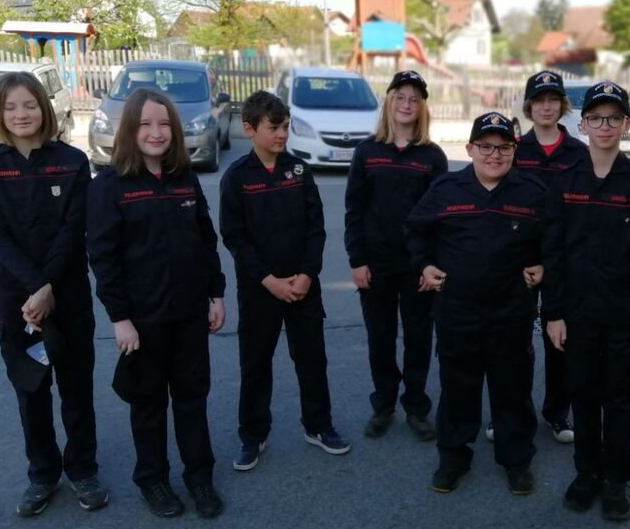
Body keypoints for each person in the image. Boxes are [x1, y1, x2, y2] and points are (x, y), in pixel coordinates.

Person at [0, 72, 107, 517]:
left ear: (44, 109)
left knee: (76, 387)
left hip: (67, 293)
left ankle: (83, 469)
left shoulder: (72, 161)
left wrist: (48, 285)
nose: (21, 114)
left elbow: (73, 230)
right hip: (17, 300)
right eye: (10, 107)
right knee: (30, 388)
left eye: (29, 104)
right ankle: (42, 474)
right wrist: (35, 288)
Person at [87, 88, 226, 519]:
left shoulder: (185, 178)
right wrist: (120, 318)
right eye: (146, 124)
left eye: (165, 124)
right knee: (148, 404)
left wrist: (216, 294)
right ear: (130, 129)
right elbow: (103, 258)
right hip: (143, 321)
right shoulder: (109, 186)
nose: (156, 132)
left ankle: (199, 478)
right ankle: (153, 480)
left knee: (191, 399)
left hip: (188, 314)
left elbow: (206, 241)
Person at [406, 112, 545, 495]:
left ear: (514, 150)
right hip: (457, 311)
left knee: (512, 389)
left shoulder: (533, 192)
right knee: (457, 389)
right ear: (469, 149)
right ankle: (453, 457)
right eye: (486, 146)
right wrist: (424, 264)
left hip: (511, 312)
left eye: (503, 147)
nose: (494, 155)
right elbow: (415, 231)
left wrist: (543, 265)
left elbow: (554, 239)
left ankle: (516, 460)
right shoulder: (445, 189)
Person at [543, 82, 630, 521]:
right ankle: (587, 473)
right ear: (582, 124)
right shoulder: (564, 181)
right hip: (576, 314)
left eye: (614, 118)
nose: (604, 126)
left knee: (619, 398)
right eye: (596, 118)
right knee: (583, 393)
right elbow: (553, 252)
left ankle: (616, 478)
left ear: (626, 124)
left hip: (623, 315)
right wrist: (553, 312)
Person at [220, 90, 350, 473]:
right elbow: (235, 237)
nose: (282, 134)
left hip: (302, 287)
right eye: (274, 127)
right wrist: (268, 280)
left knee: (312, 360)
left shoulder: (298, 171)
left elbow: (316, 227)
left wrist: (307, 274)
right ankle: (253, 435)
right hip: (260, 291)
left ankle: (318, 426)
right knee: (255, 364)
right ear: (249, 129)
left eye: (286, 126)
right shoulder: (237, 177)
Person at [344, 70, 448, 441]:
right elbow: (354, 210)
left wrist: (431, 264)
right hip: (376, 263)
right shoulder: (367, 152)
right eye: (400, 97)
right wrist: (357, 261)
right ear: (389, 102)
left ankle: (416, 407)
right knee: (381, 337)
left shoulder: (432, 156)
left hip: (417, 265)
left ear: (422, 107)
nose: (406, 104)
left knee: (419, 338)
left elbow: (440, 218)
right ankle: (384, 405)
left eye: (414, 99)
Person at [514, 69, 587, 444]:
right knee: (514, 342)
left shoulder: (578, 153)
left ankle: (558, 412)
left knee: (560, 340)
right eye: (539, 100)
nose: (546, 106)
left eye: (553, 100)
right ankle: (512, 411)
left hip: (563, 260)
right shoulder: (514, 149)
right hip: (520, 260)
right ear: (529, 106)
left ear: (562, 105)